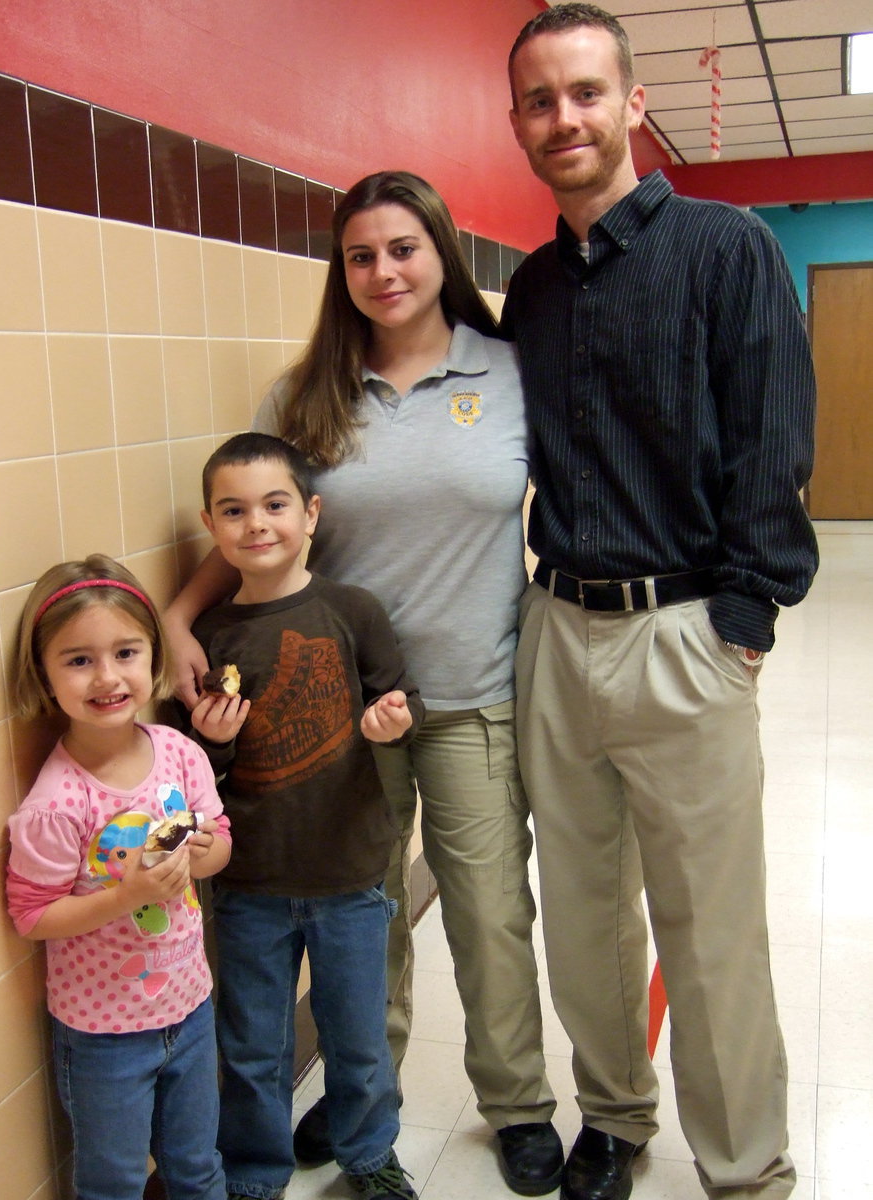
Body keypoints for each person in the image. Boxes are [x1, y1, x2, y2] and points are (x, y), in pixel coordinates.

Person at [163, 170, 563, 1197]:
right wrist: (173, 614)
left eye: (403, 248)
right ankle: (353, 1103)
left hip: (472, 696)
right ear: (339, 273)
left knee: (486, 913)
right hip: (333, 714)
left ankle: (516, 1104)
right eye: (360, 255)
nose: (383, 271)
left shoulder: (514, 372)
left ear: (441, 254)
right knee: (362, 921)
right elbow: (264, 521)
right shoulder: (306, 396)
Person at [502, 6, 819, 1200]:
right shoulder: (530, 290)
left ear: (633, 105)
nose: (564, 117)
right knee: (583, 914)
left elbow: (775, 443)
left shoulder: (726, 248)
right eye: (540, 100)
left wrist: (744, 619)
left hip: (685, 633)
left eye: (586, 92)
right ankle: (617, 1119)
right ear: (519, 123)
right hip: (557, 632)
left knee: (710, 927)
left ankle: (743, 1166)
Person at [189, 432, 424, 1200]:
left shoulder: (353, 610)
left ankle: (369, 1156)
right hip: (251, 883)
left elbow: (401, 697)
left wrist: (394, 718)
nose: (257, 524)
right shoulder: (212, 636)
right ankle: (256, 1174)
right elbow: (193, 777)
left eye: (275, 504)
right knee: (253, 1045)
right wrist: (213, 745)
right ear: (211, 526)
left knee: (357, 1040)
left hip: (350, 873)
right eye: (235, 510)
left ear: (311, 513)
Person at [6, 554, 232, 1200]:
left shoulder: (180, 755)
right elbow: (31, 915)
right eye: (79, 660)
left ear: (153, 657)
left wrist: (205, 851)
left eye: (126, 652)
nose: (107, 677)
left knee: (198, 1168)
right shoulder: (57, 804)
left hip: (189, 1006)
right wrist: (126, 896)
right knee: (114, 1183)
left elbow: (219, 848)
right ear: (44, 676)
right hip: (102, 1034)